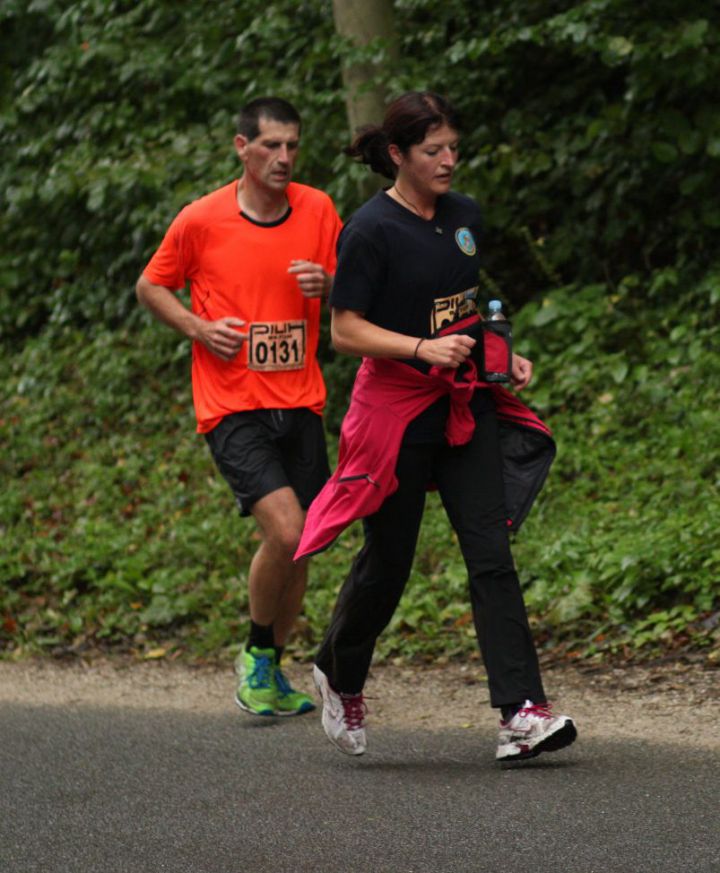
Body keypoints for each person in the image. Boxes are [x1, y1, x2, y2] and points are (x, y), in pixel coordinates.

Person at [295, 91, 577, 761]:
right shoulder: (369, 229)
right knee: (389, 562)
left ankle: (520, 713)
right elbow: (345, 330)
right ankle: (340, 669)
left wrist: (500, 351)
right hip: (394, 410)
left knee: (491, 552)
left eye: (453, 147)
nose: (449, 161)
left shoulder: (463, 216)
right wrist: (421, 349)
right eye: (433, 151)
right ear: (397, 155)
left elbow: (462, 310)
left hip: (463, 401)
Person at [136, 96, 342, 718]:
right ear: (241, 147)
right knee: (287, 529)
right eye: (271, 146)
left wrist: (329, 287)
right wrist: (198, 327)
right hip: (232, 404)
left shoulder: (318, 209)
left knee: (304, 545)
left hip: (301, 400)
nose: (283, 158)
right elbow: (151, 285)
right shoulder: (201, 220)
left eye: (292, 146)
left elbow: (355, 291)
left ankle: (271, 672)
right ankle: (256, 656)